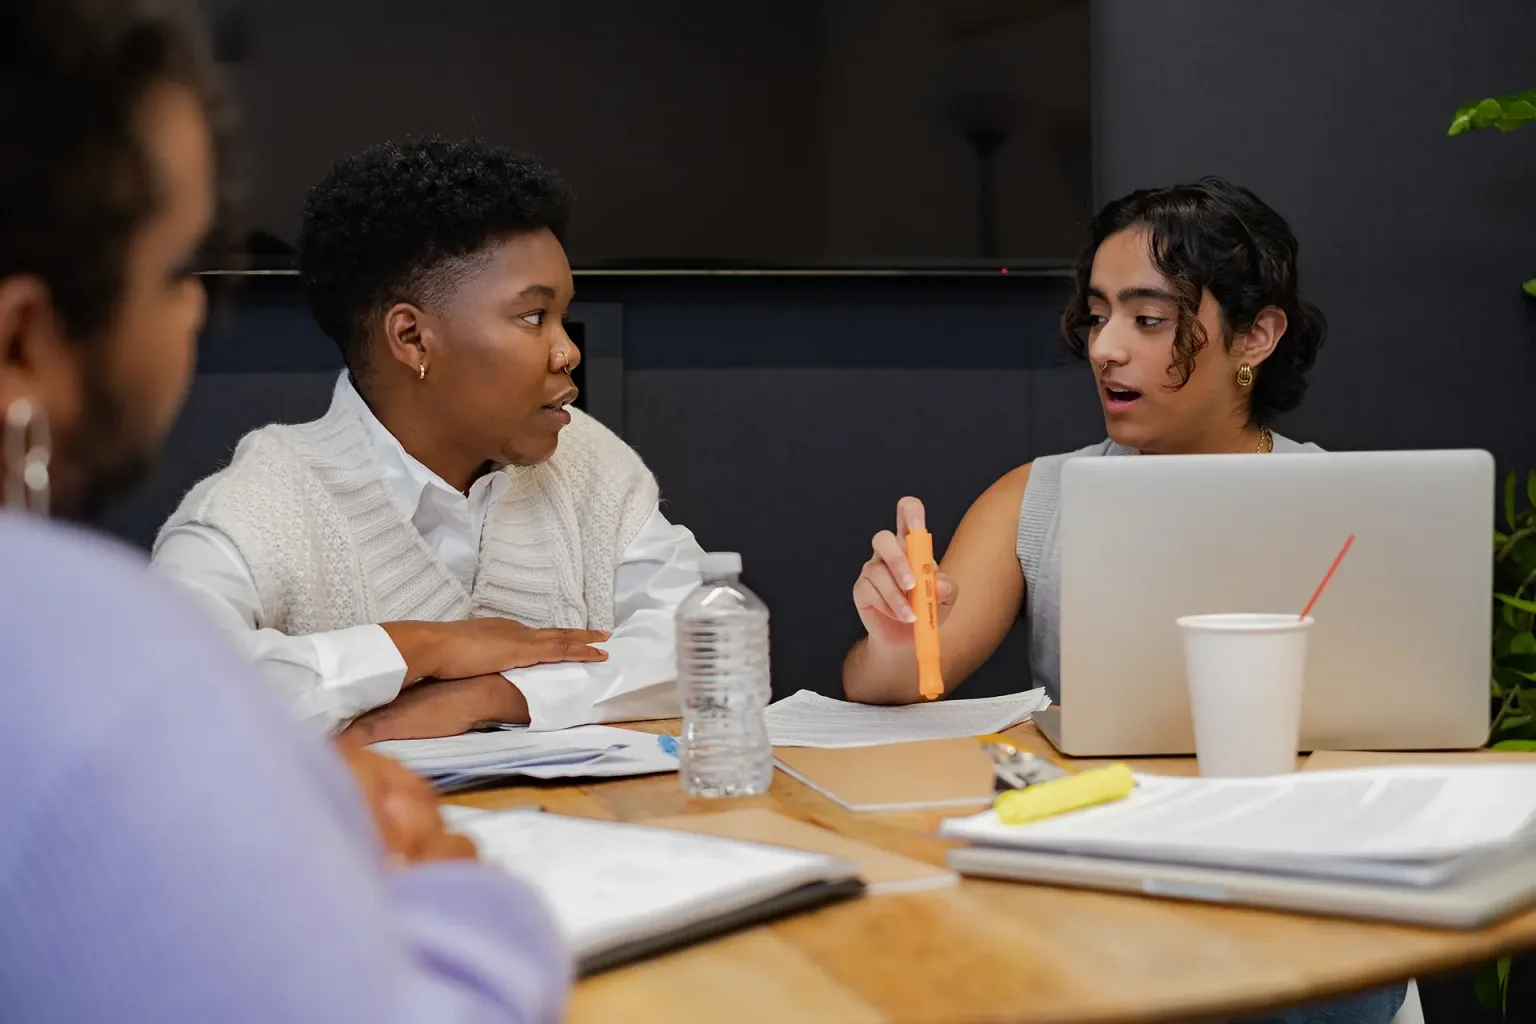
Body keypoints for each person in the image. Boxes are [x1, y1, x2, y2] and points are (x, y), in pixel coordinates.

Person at [0, 2, 566, 1020]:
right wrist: (445, 883)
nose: (204, 309)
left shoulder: (588, 468)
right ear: (23, 345)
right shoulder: (95, 641)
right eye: (178, 270)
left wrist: (483, 698)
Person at [842, 178, 1407, 1024]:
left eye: (1149, 319)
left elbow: (1398, 744)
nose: (1105, 348)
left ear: (1256, 334)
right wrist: (893, 635)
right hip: (1093, 878)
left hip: (1290, 884)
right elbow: (894, 685)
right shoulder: (1038, 495)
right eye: (1099, 314)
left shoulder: (1342, 509)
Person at [152, 138, 704, 741]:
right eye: (531, 317)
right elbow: (168, 690)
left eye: (563, 317)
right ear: (412, 338)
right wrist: (425, 647)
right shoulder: (259, 504)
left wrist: (493, 695)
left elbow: (710, 644)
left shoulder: (588, 462)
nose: (568, 350)